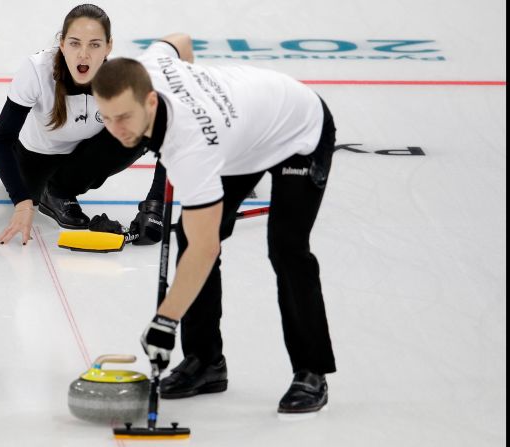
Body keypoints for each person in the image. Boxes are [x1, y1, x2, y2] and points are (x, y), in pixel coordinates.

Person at [91, 33, 337, 414]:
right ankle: (206, 362)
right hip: (238, 138)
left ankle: (311, 371)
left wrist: (164, 321)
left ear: (150, 100)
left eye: (124, 117)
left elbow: (209, 248)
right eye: (106, 118)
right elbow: (179, 41)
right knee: (188, 238)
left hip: (298, 129)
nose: (116, 129)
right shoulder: (150, 64)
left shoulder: (192, 146)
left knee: (287, 248)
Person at [0, 4, 166, 246]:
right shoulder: (36, 70)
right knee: (31, 191)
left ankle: (60, 192)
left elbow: (167, 133)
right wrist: (21, 202)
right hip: (34, 160)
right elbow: (1, 141)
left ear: (108, 46)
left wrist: (155, 208)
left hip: (80, 161)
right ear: (62, 44)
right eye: (74, 43)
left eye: (94, 44)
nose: (84, 54)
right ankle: (47, 193)